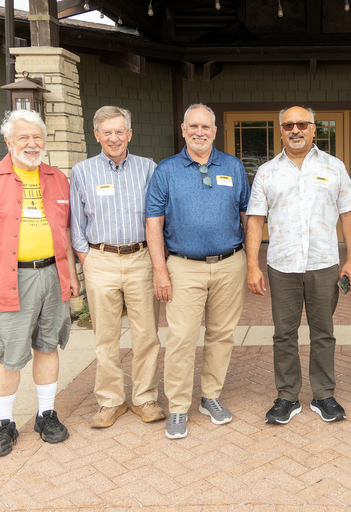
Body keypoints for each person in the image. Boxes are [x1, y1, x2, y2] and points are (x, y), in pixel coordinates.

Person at [0, 109, 79, 458]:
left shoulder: (57, 178)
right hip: (9, 278)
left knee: (48, 345)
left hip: (52, 275)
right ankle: (4, 423)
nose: (32, 144)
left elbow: (64, 231)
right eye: (23, 137)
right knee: (8, 355)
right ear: (8, 141)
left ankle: (46, 414)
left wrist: (71, 276)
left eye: (37, 137)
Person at [246, 105, 351, 425]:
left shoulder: (334, 166)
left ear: (314, 129)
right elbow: (255, 220)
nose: (295, 130)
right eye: (288, 125)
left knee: (323, 332)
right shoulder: (268, 171)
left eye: (302, 124)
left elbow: (349, 214)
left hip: (324, 264)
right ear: (280, 131)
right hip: (282, 265)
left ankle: (324, 394)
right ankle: (287, 396)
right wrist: (252, 266)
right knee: (284, 333)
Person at [146, 103, 250, 440]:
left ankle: (210, 397)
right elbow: (154, 222)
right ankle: (178, 407)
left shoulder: (233, 167)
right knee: (181, 339)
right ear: (183, 129)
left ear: (215, 132)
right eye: (194, 127)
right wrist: (159, 270)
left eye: (206, 127)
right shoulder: (166, 170)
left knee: (222, 333)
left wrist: (252, 263)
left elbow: (248, 215)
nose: (200, 132)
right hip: (183, 267)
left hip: (229, 264)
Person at [70, 106, 164, 429]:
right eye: (106, 132)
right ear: (96, 135)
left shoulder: (148, 169)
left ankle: (145, 398)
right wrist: (88, 259)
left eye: (119, 131)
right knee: (105, 337)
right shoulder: (81, 172)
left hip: (140, 258)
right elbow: (76, 224)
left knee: (147, 334)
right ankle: (111, 401)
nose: (113, 138)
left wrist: (157, 261)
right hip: (101, 259)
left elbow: (158, 216)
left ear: (129, 134)